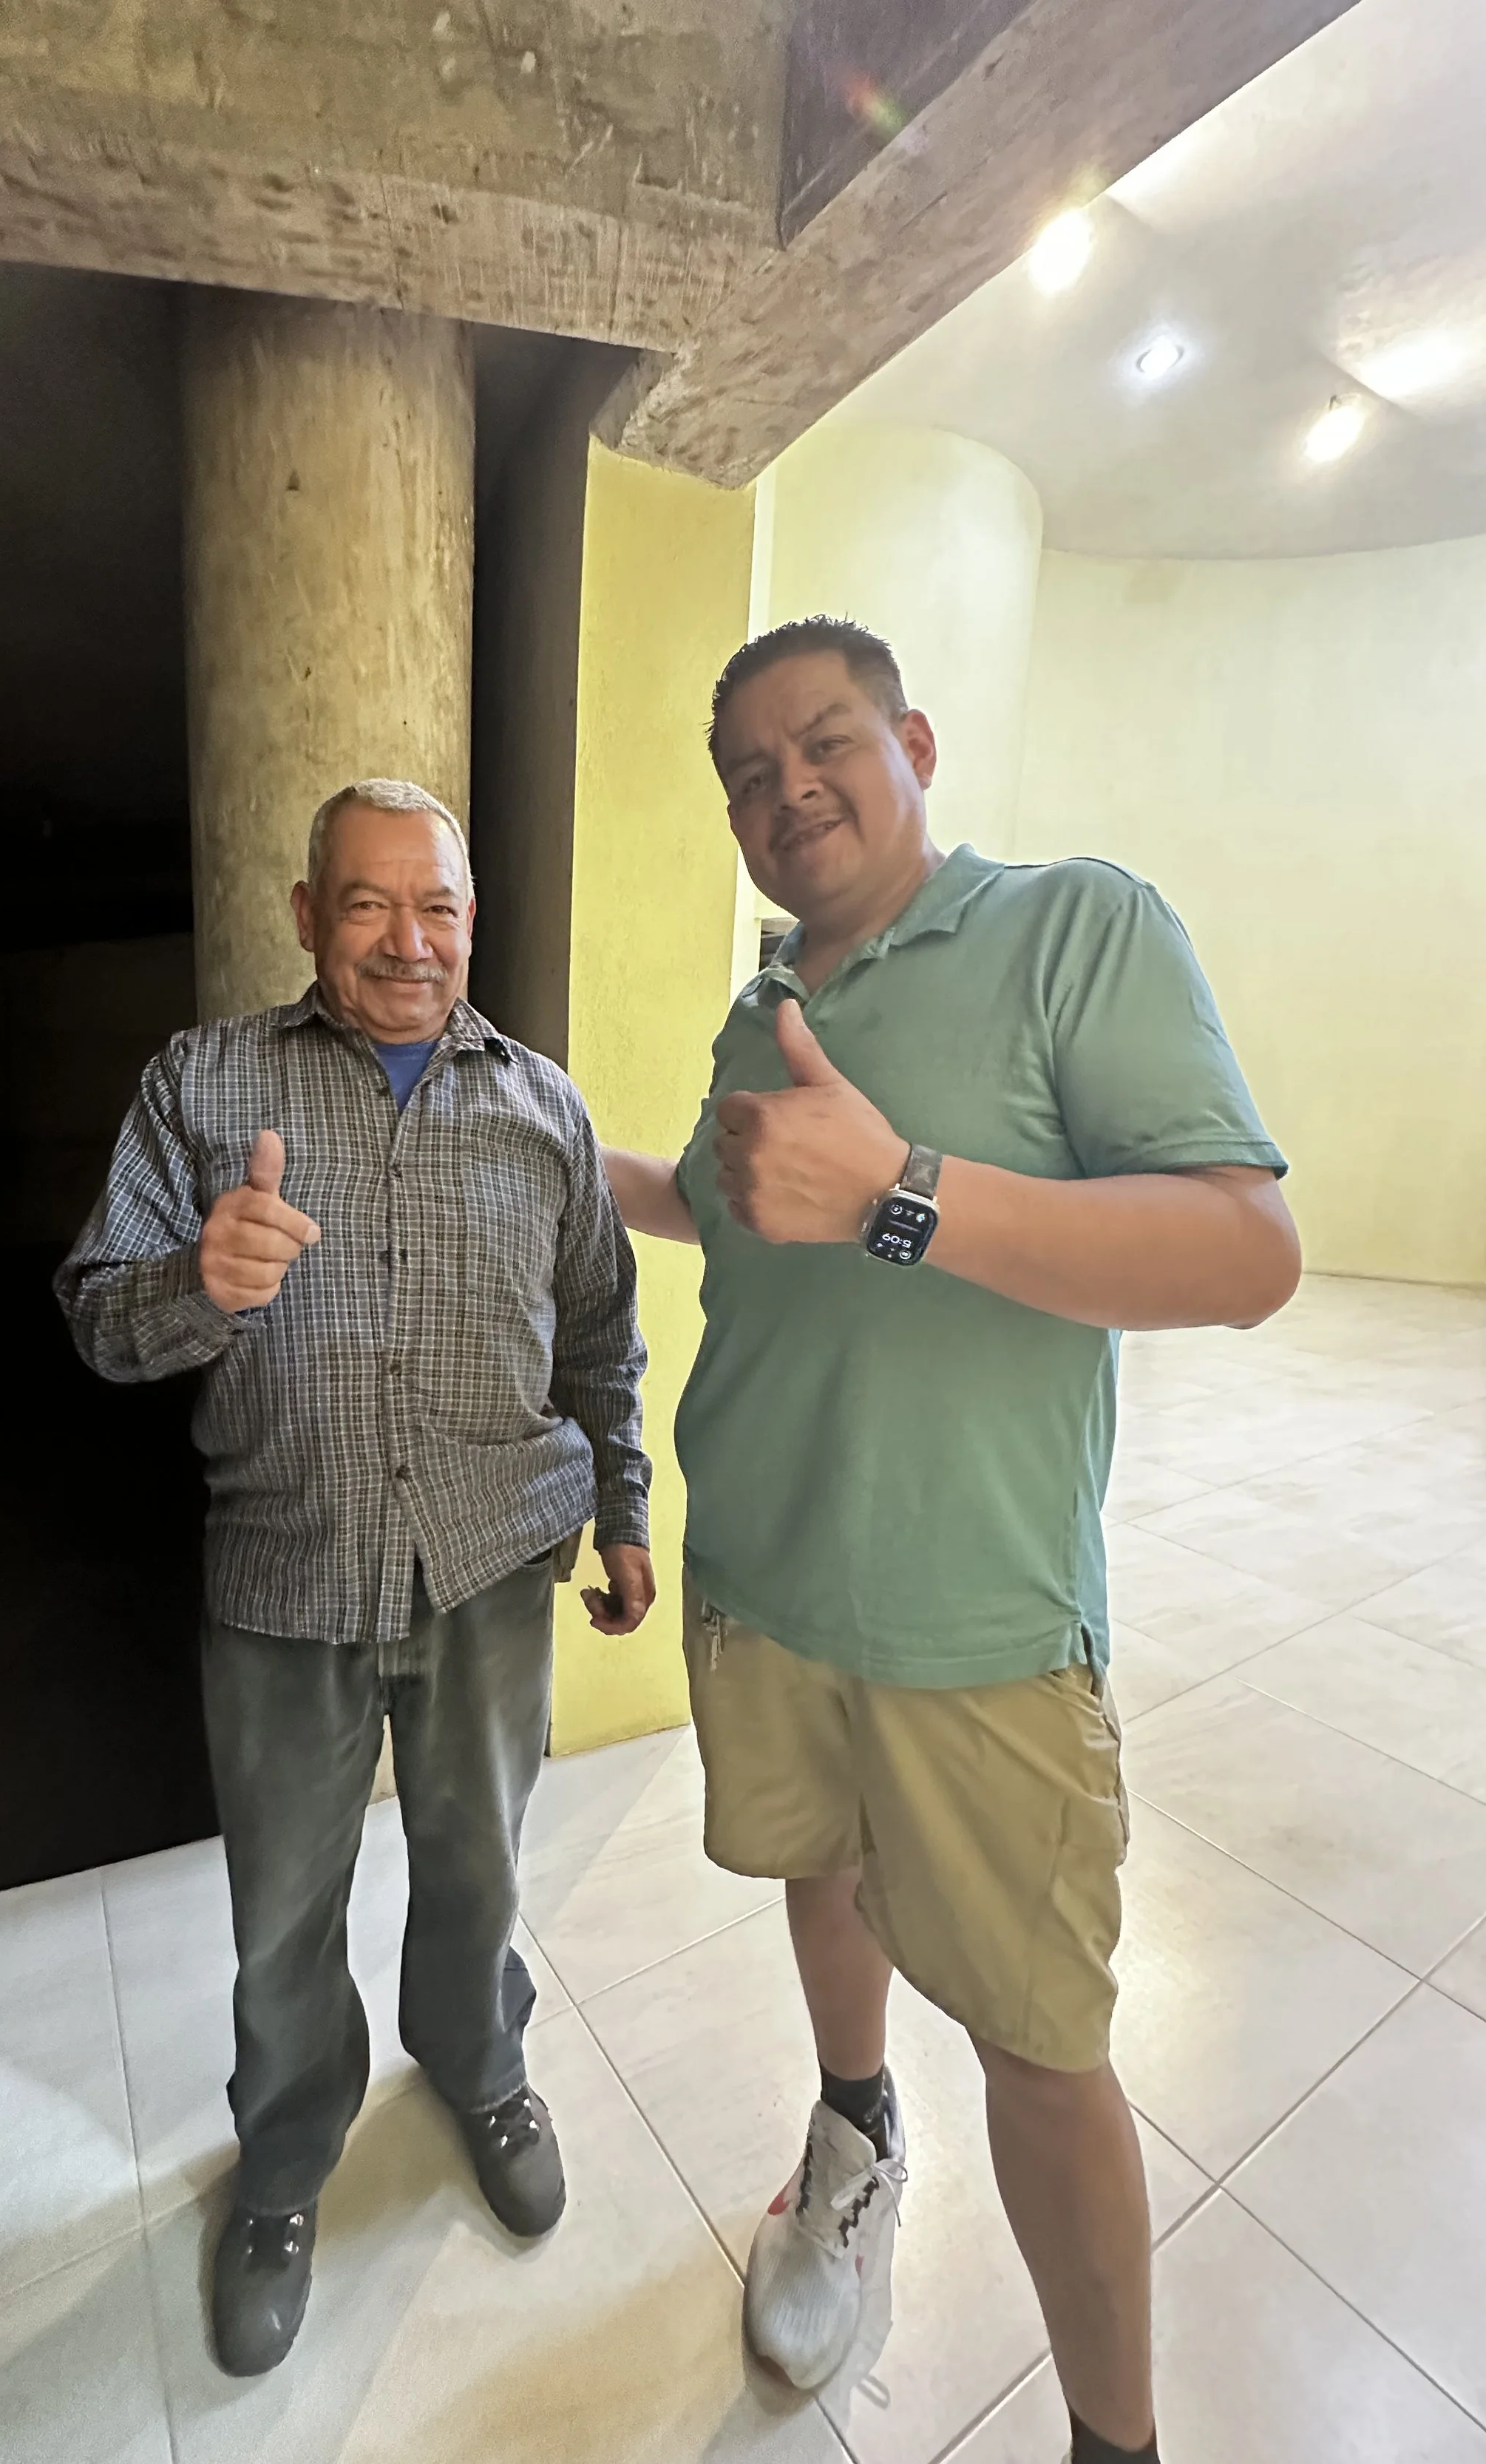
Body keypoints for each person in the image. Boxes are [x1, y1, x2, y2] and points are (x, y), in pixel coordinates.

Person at [603, 618, 1298, 2464]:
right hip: (760, 1579)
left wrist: (902, 1192)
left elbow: (1243, 1252)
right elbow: (738, 1209)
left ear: (912, 739)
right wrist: (561, 1158)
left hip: (975, 1626)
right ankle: (850, 2131)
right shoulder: (766, 1007)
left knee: (1040, 2045)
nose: (784, 789)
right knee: (813, 1874)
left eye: (821, 741)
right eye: (746, 774)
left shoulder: (1072, 927)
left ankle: (1112, 2440)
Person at [57, 778, 655, 2376]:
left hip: (486, 1566)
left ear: (471, 918)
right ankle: (287, 2160)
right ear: (308, 911)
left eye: (438, 905)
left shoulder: (543, 1108)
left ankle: (477, 2061)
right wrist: (196, 1278)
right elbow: (96, 1312)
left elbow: (600, 1327)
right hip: (286, 1572)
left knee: (481, 1864)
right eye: (369, 902)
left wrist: (625, 1506)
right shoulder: (204, 1085)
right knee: (280, 1913)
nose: (407, 939)